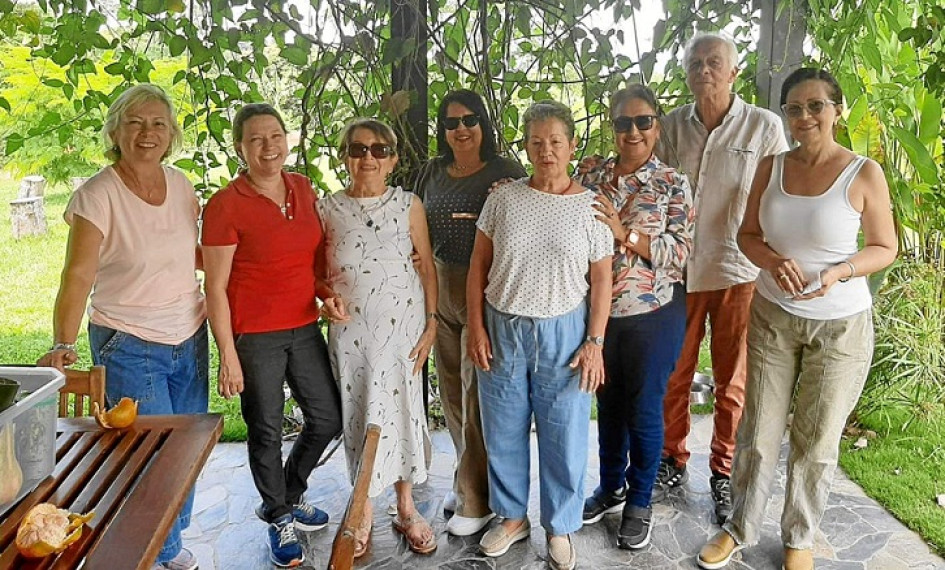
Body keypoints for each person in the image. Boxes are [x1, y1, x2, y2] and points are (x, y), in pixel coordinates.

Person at [697, 68, 897, 570]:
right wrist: (771, 261)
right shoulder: (771, 167)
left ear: (837, 110)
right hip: (772, 316)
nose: (803, 116)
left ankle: (799, 538)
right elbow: (747, 236)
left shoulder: (863, 173)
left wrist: (842, 271)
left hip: (841, 326)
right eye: (794, 107)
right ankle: (739, 527)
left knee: (816, 438)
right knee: (758, 432)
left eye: (815, 106)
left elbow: (885, 247)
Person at [37, 84, 207, 570]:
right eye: (134, 122)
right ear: (115, 131)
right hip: (128, 341)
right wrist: (62, 342)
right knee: (149, 455)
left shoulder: (182, 186)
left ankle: (169, 543)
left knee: (186, 449)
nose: (147, 133)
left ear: (171, 134)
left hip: (189, 335)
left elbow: (190, 254)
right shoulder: (97, 195)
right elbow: (77, 275)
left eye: (157, 123)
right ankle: (157, 550)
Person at [467, 100, 613, 570]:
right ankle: (511, 518)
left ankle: (561, 525)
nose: (546, 150)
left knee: (564, 433)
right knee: (503, 428)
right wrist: (475, 326)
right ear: (526, 147)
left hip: (565, 333)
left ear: (571, 146)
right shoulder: (503, 198)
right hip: (502, 325)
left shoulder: (591, 208)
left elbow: (603, 281)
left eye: (555, 141)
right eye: (536, 142)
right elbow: (477, 268)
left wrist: (594, 342)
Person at [653, 32, 790, 523]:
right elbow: (655, 189)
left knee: (734, 380)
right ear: (686, 73)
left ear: (734, 71)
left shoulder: (763, 127)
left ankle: (723, 470)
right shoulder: (670, 127)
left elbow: (781, 194)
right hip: (680, 270)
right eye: (695, 63)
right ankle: (672, 458)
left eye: (714, 62)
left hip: (738, 270)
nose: (704, 71)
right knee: (675, 372)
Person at [202, 103, 342, 568]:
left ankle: (289, 491)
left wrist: (324, 294)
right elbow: (215, 288)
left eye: (275, 136)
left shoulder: (303, 188)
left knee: (326, 418)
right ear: (240, 147)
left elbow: (312, 260)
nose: (268, 146)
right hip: (255, 336)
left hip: (303, 325)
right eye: (256, 139)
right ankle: (279, 514)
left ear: (287, 139)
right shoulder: (225, 205)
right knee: (264, 428)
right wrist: (228, 355)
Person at [575, 85, 694, 550]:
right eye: (623, 122)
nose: (633, 131)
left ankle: (640, 499)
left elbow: (680, 253)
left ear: (656, 126)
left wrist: (625, 235)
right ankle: (611, 486)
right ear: (612, 126)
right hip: (601, 315)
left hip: (654, 312)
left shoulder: (671, 183)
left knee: (644, 407)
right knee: (608, 404)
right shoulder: (591, 173)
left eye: (643, 121)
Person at [317, 118, 439, 557]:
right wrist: (325, 297)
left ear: (393, 159)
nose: (367, 157)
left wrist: (431, 323)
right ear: (345, 156)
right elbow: (316, 274)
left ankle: (406, 508)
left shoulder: (408, 204)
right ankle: (364, 506)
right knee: (359, 414)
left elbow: (426, 265)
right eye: (357, 149)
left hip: (403, 332)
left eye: (378, 149)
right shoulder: (326, 208)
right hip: (351, 338)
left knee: (404, 413)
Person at [412, 89, 526, 536]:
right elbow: (413, 227)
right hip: (439, 291)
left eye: (469, 119)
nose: (460, 129)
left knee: (477, 397)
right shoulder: (432, 174)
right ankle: (466, 481)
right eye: (451, 122)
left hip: (485, 292)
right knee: (453, 395)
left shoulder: (507, 173)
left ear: (484, 125)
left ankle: (477, 499)